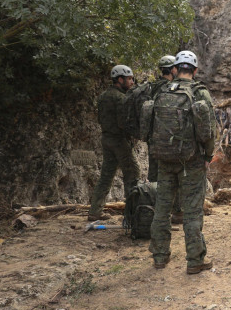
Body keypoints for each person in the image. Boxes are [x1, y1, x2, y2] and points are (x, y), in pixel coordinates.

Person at [149, 50, 217, 274]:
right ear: (195, 70)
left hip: (164, 159)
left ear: (176, 69)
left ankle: (159, 256)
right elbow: (208, 130)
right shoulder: (199, 92)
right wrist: (207, 156)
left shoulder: (161, 91)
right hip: (191, 161)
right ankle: (195, 260)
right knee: (192, 211)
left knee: (162, 208)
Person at [88, 65, 141, 222]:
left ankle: (94, 212)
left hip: (106, 139)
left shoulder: (103, 96)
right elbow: (123, 123)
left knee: (106, 176)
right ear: (120, 79)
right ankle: (132, 214)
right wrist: (136, 134)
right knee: (133, 174)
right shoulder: (120, 98)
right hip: (119, 141)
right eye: (129, 79)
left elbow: (100, 119)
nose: (132, 82)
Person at [146, 55, 185, 224]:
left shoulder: (150, 88)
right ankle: (177, 212)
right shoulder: (172, 89)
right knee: (176, 177)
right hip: (172, 141)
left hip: (154, 140)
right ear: (172, 69)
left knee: (156, 177)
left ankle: (152, 211)